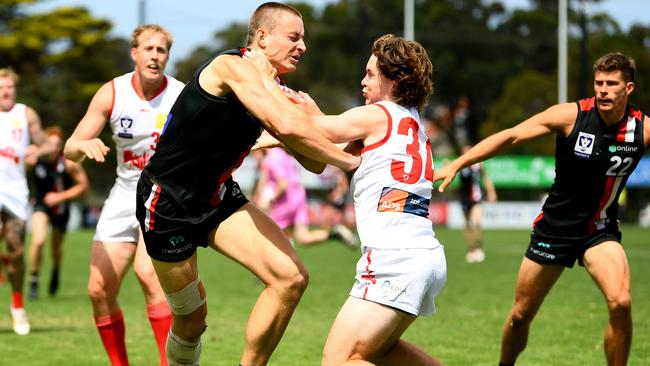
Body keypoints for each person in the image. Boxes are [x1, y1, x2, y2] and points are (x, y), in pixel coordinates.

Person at [133, 3, 359, 365]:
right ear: (263, 37)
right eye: (294, 37)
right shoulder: (230, 66)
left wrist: (306, 122)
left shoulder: (277, 90)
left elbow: (314, 163)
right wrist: (350, 161)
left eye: (304, 39)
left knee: (291, 279)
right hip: (167, 202)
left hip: (218, 198)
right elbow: (283, 124)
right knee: (192, 320)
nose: (303, 47)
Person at [434, 52, 648, 366]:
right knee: (520, 315)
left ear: (628, 89)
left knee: (622, 301)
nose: (603, 89)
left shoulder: (641, 129)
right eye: (599, 82)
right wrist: (458, 163)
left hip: (600, 230)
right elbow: (511, 136)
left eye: (611, 84)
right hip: (555, 228)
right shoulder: (570, 116)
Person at [264, 33, 444, 365]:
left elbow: (318, 129)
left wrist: (278, 97)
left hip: (394, 259)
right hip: (424, 256)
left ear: (392, 78)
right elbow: (325, 150)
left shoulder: (379, 114)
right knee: (378, 352)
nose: (362, 82)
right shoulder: (416, 124)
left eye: (370, 74)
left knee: (338, 360)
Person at [63, 24, 184, 365]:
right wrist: (81, 145)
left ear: (167, 57)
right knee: (98, 291)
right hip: (123, 194)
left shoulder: (180, 94)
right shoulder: (112, 92)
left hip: (164, 197)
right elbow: (69, 149)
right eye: (148, 49)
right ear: (134, 53)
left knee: (149, 277)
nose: (155, 56)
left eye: (161, 50)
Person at [0, 67, 51, 335]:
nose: (5, 92)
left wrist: (39, 150)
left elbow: (49, 145)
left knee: (16, 249)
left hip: (15, 189)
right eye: (1, 88)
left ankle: (17, 306)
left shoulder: (25, 113)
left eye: (9, 87)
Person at [27, 125, 89, 299]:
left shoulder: (68, 163)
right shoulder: (34, 159)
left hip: (61, 208)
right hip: (40, 205)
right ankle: (34, 280)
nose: (54, 147)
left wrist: (60, 197)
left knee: (55, 248)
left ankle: (55, 269)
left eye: (57, 144)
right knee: (38, 241)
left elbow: (83, 186)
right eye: (50, 143)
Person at [256, 147, 357, 248]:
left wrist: (270, 200)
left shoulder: (272, 158)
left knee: (268, 233)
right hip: (298, 196)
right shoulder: (283, 154)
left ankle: (287, 258)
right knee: (303, 238)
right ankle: (335, 234)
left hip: (285, 201)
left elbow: (283, 184)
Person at [457, 144, 497, 263]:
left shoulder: (479, 164)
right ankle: (470, 250)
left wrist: (491, 191)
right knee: (468, 225)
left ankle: (479, 248)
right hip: (464, 199)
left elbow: (485, 177)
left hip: (476, 198)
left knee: (478, 222)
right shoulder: (460, 164)